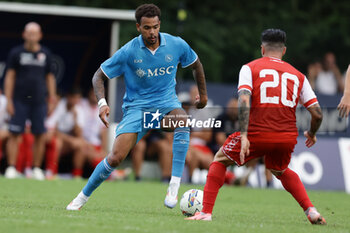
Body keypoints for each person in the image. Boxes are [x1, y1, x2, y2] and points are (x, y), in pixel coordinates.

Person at [66, 3, 207, 210]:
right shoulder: (128, 52)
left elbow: (196, 65)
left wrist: (203, 96)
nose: (152, 32)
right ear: (138, 27)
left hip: (167, 105)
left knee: (183, 121)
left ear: (160, 24)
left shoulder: (176, 44)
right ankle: (81, 198)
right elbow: (98, 76)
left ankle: (174, 186)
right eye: (147, 28)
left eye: (156, 27)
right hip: (137, 110)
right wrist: (102, 104)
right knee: (115, 158)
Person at [186, 29, 326, 225]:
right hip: (286, 137)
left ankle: (206, 213)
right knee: (280, 169)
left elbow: (244, 99)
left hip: (257, 132)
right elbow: (318, 114)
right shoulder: (299, 76)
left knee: (219, 159)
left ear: (262, 49)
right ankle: (311, 210)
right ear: (284, 50)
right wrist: (311, 133)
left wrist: (244, 135)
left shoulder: (249, 68)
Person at [4, 22, 56, 180]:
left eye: (35, 33)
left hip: (39, 101)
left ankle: (36, 169)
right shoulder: (16, 53)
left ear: (40, 35)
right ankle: (11, 168)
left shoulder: (46, 54)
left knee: (40, 134)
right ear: (24, 35)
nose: (32, 36)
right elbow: (10, 76)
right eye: (29, 33)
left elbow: (50, 77)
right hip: (19, 100)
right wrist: (8, 100)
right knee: (14, 133)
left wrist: (52, 98)